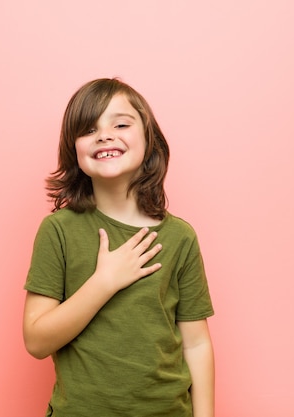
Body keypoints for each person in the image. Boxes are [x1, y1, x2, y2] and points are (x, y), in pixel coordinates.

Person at [23, 78, 215, 417]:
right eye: (88, 129)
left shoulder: (180, 237)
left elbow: (196, 343)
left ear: (148, 139)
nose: (104, 135)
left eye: (121, 123)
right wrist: (104, 281)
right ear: (74, 149)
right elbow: (36, 341)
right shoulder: (58, 231)